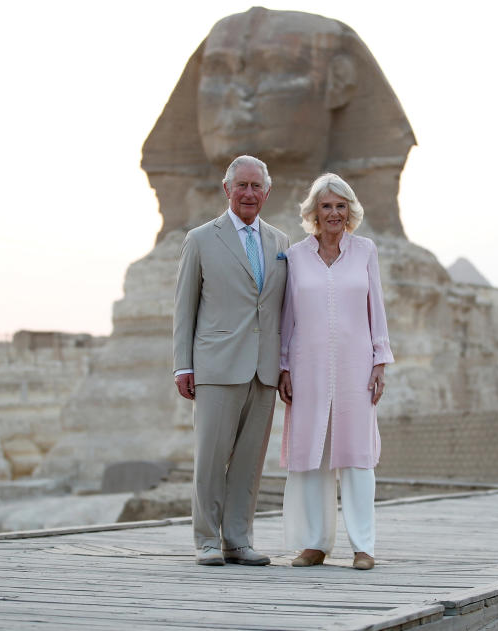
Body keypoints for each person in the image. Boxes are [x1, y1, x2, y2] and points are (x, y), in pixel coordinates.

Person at [173, 155, 290, 566]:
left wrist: (286, 364)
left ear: (267, 192)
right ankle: (206, 540)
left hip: (264, 368)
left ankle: (238, 540)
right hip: (217, 366)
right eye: (241, 185)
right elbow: (184, 308)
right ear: (227, 189)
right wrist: (182, 365)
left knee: (249, 461)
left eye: (257, 186)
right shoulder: (201, 239)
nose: (249, 193)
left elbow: (283, 309)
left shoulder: (280, 242)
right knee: (210, 456)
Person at [277, 173, 394, 571]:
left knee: (357, 456)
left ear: (350, 212)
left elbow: (375, 308)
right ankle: (314, 544)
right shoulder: (295, 256)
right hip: (306, 368)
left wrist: (380, 360)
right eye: (326, 206)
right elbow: (286, 317)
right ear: (313, 212)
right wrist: (284, 365)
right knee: (311, 454)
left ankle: (364, 546)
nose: (333, 213)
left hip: (356, 367)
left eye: (340, 206)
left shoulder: (365, 251)